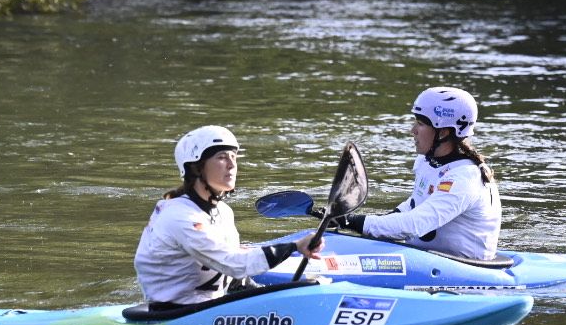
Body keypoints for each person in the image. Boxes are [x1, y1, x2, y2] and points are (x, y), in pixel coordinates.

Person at [134, 125, 323, 307]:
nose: (232, 165)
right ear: (197, 168)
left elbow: (233, 276)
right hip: (172, 314)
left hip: (210, 308)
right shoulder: (179, 216)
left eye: (234, 157)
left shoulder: (223, 212)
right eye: (222, 157)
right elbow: (233, 263)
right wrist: (295, 246)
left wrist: (271, 295)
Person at [339, 87, 502, 260]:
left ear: (443, 132)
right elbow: (415, 205)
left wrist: (352, 221)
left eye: (421, 124)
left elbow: (415, 224)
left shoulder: (465, 178)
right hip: (428, 258)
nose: (413, 130)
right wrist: (366, 222)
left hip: (465, 271)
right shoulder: (427, 161)